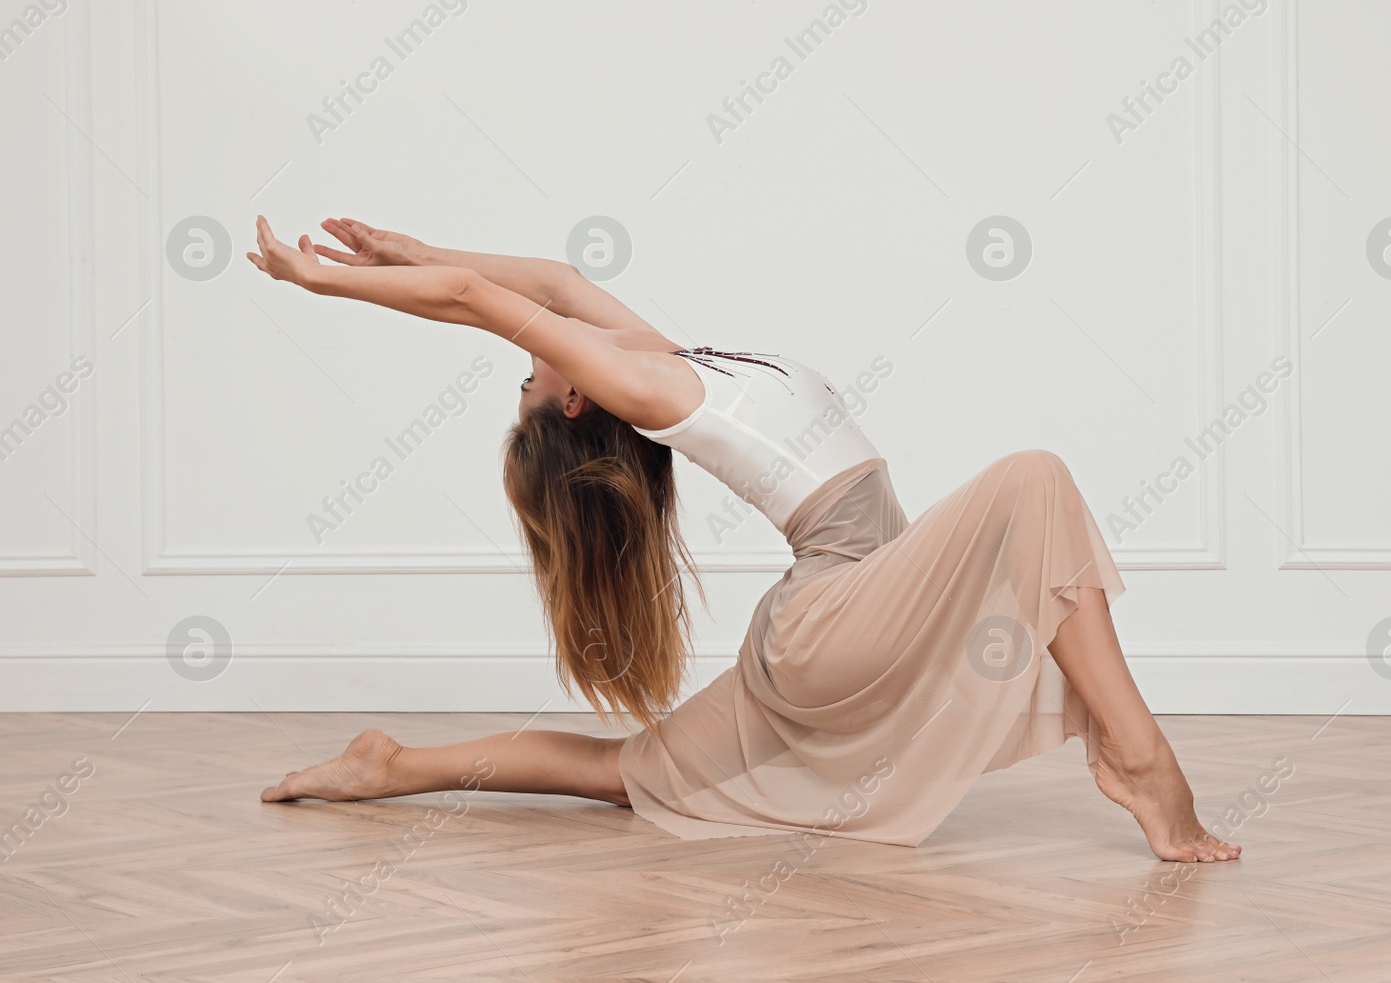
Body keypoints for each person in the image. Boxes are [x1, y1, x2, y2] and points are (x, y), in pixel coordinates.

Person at [251, 216, 1241, 864]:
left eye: (525, 372)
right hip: (832, 618)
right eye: (529, 378)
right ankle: (1138, 755)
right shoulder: (648, 389)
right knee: (1035, 481)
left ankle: (393, 763)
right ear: (578, 397)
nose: (530, 360)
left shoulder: (663, 358)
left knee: (625, 771)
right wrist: (323, 286)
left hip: (858, 607)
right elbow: (480, 300)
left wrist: (402, 250)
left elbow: (551, 281)